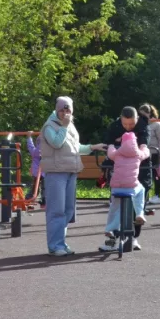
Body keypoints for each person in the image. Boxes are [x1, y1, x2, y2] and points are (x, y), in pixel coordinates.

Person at [39, 96, 107, 256]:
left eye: (67, 109)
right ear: (56, 110)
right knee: (56, 210)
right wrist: (64, 126)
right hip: (56, 172)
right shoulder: (50, 126)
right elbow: (56, 143)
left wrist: (93, 147)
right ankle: (55, 246)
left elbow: (75, 147)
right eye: (62, 109)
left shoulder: (69, 125)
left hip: (71, 171)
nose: (65, 112)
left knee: (68, 210)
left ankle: (61, 242)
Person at [98, 132, 149, 252]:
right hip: (132, 187)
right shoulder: (138, 153)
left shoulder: (117, 153)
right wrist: (144, 147)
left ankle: (110, 229)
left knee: (114, 208)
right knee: (141, 190)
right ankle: (139, 213)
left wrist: (111, 145)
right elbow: (146, 153)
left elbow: (110, 153)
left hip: (116, 187)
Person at [104, 106, 152, 202]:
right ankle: (117, 209)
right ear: (121, 118)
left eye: (132, 124)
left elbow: (144, 143)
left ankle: (139, 211)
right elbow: (109, 142)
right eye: (125, 124)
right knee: (117, 185)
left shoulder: (143, 125)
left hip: (139, 164)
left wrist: (120, 140)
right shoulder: (115, 126)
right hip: (119, 164)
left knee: (144, 185)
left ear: (137, 119)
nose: (128, 127)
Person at [139, 104, 160, 203]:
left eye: (143, 114)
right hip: (143, 153)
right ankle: (145, 195)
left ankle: (157, 195)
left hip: (154, 152)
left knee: (156, 174)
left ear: (149, 113)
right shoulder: (141, 123)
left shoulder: (157, 124)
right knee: (144, 174)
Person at [26, 131, 44, 206]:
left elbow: (30, 146)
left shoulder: (35, 151)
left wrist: (29, 137)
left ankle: (28, 199)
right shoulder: (47, 150)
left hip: (36, 172)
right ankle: (44, 201)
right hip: (45, 172)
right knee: (45, 187)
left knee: (34, 187)